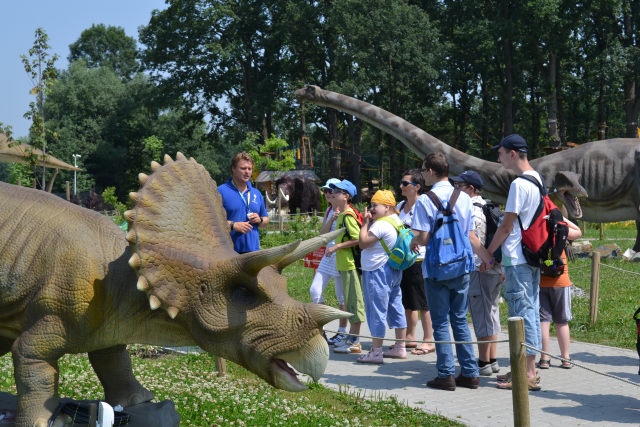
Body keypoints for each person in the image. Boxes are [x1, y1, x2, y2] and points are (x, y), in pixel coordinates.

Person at [410, 152, 493, 391]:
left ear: (431, 171)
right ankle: (470, 373)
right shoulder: (464, 198)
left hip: (437, 267)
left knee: (440, 322)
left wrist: (413, 240)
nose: (423, 175)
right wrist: (487, 258)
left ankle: (445, 374)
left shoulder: (425, 200)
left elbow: (424, 238)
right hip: (461, 265)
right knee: (459, 319)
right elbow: (468, 233)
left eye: (423, 170)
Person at [485, 134, 544, 391]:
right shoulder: (537, 179)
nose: (499, 159)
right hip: (531, 255)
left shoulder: (519, 185)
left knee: (521, 314)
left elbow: (506, 226)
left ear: (512, 153)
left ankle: (527, 374)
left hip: (517, 257)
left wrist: (489, 253)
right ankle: (526, 369)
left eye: (500, 153)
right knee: (531, 310)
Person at [450, 170, 504, 376]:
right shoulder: (488, 205)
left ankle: (483, 362)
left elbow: (472, 238)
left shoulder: (471, 210)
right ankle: (492, 359)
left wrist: (486, 260)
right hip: (493, 267)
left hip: (480, 267)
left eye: (459, 186)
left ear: (471, 188)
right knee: (492, 312)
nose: (456, 190)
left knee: (481, 314)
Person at [356, 190, 407, 363]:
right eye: (371, 205)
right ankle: (400, 347)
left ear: (387, 206)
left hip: (377, 271)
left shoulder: (380, 225)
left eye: (374, 205)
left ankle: (376, 352)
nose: (371, 209)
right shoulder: (397, 220)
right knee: (396, 306)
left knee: (376, 310)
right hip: (393, 268)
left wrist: (365, 223)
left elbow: (363, 243)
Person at [324, 179, 366, 354]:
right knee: (348, 303)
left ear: (346, 196)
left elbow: (358, 238)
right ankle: (350, 338)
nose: (333, 193)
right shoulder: (341, 214)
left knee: (354, 303)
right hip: (343, 264)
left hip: (350, 264)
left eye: (338, 191)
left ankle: (355, 341)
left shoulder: (348, 215)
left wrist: (337, 247)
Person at [397, 169, 436, 355]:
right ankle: (410, 336)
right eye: (401, 183)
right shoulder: (400, 205)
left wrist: (410, 233)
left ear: (417, 186)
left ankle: (429, 339)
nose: (401, 187)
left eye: (405, 184)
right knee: (408, 299)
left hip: (420, 258)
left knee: (423, 301)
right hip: (404, 259)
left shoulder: (423, 204)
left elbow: (426, 230)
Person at [538, 219, 582, 369]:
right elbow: (578, 232)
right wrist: (562, 218)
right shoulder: (560, 228)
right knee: (562, 321)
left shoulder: (538, 225)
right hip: (561, 280)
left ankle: (544, 358)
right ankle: (565, 358)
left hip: (541, 279)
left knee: (543, 321)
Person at [310, 178, 348, 344]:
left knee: (342, 297)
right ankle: (322, 330)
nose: (328, 194)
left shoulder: (347, 210)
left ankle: (342, 332)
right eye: (325, 191)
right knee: (315, 290)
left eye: (331, 190)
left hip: (340, 254)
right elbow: (322, 235)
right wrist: (331, 218)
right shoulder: (329, 210)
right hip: (327, 255)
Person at [218, 152, 269, 253]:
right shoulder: (220, 191)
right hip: (228, 253)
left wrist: (260, 220)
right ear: (233, 169)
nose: (247, 172)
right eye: (243, 168)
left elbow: (266, 219)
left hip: (253, 252)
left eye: (249, 169)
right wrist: (233, 225)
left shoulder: (256, 193)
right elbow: (211, 221)